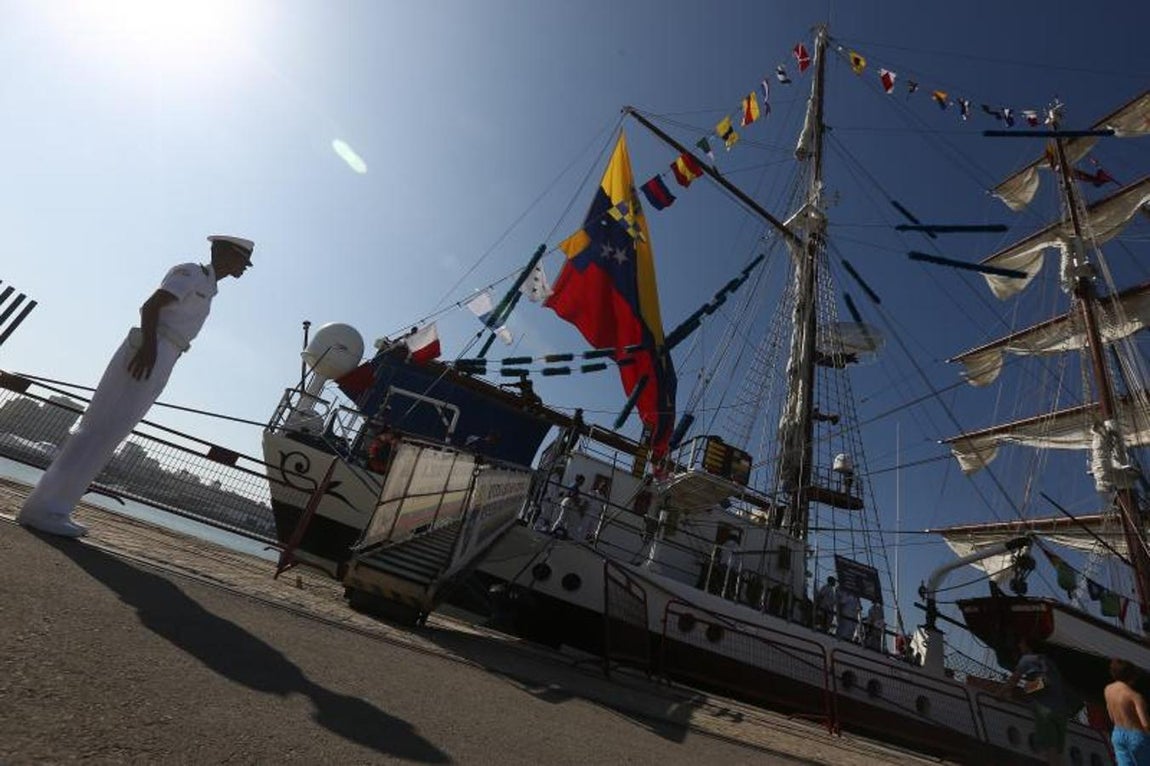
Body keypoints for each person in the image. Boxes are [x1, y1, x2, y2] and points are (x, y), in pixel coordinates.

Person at [17, 235, 254, 537]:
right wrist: (149, 348)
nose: (244, 268)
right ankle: (43, 509)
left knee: (112, 433)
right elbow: (151, 306)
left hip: (167, 352)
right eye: (242, 260)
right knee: (98, 427)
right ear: (225, 253)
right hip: (151, 347)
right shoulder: (192, 273)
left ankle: (58, 507)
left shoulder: (209, 288)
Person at [999, 637, 1072, 766]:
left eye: (1022, 643)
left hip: (1046, 709)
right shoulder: (1049, 662)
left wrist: (999, 693)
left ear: (1028, 646)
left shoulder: (1027, 659)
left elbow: (1014, 680)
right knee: (1058, 750)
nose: (1020, 646)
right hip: (1061, 710)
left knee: (1050, 749)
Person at [1106, 658, 1150, 766]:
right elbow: (1145, 724)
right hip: (1135, 735)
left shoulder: (1108, 690)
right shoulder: (1134, 696)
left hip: (1117, 734)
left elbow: (1111, 716)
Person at [549, 474, 586, 539]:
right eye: (582, 481)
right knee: (563, 518)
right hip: (568, 502)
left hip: (568, 502)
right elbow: (572, 496)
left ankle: (564, 533)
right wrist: (578, 505)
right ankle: (553, 530)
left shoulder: (573, 485)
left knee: (567, 519)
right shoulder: (575, 487)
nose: (582, 483)